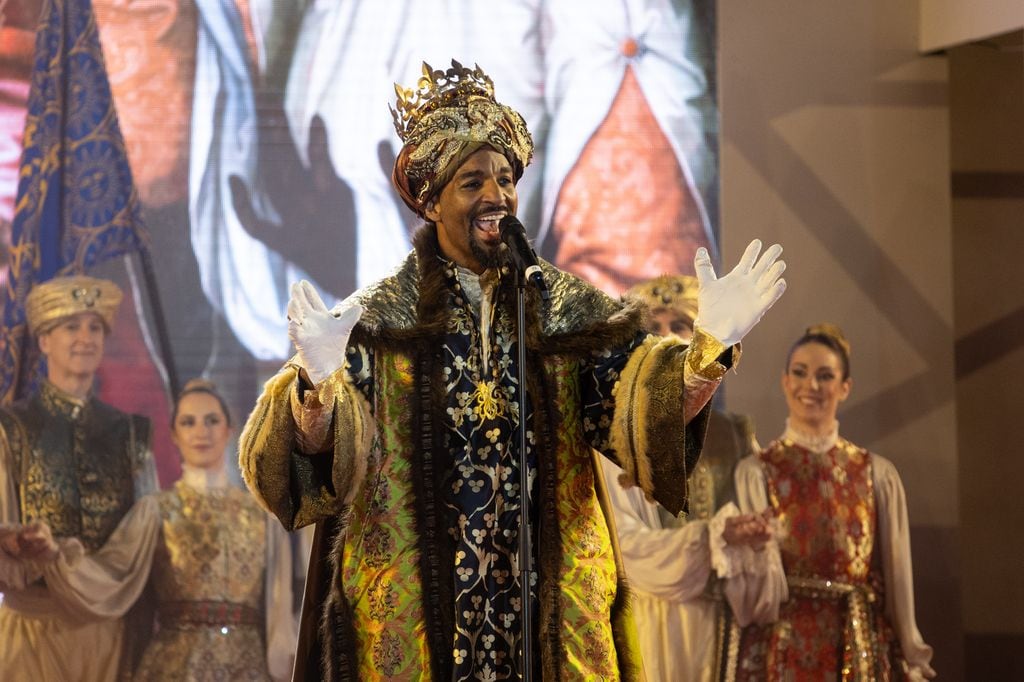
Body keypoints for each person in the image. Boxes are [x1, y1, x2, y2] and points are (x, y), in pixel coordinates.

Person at [239, 59, 787, 680]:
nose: (496, 196)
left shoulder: (564, 309)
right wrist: (314, 388)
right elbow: (308, 469)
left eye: (505, 178)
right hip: (417, 618)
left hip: (547, 614)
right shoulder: (375, 322)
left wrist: (708, 352)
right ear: (431, 199)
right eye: (472, 182)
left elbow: (641, 412)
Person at [599, 274, 783, 682]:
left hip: (718, 631)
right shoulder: (613, 436)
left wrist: (751, 541)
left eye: (681, 326)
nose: (667, 338)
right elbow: (626, 552)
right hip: (648, 626)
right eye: (654, 329)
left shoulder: (736, 437)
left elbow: (761, 573)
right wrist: (712, 539)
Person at [732, 324, 935, 680]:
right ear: (784, 381)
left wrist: (910, 654)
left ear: (845, 388)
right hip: (780, 647)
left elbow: (897, 576)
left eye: (825, 376)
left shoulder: (877, 474)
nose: (810, 386)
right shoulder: (756, 473)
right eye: (800, 373)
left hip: (858, 644)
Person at [0, 275, 157, 680]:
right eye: (71, 326)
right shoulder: (10, 428)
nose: (85, 338)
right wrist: (21, 544)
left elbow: (143, 536)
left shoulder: (131, 433)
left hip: (111, 632)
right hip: (31, 632)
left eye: (94, 328)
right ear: (45, 341)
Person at [132, 379, 297, 680]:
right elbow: (119, 580)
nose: (201, 432)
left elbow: (280, 603)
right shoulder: (154, 510)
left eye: (211, 421)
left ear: (229, 430)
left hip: (245, 666)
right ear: (174, 434)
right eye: (188, 422)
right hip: (172, 667)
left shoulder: (262, 515)